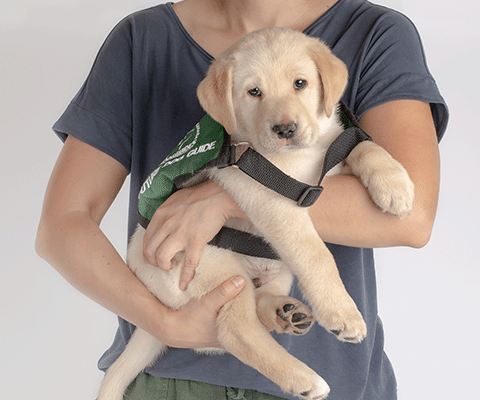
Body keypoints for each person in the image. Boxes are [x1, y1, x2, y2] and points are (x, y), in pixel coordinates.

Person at [35, 0, 448, 399]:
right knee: (235, 282)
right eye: (253, 92)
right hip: (174, 383)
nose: (283, 115)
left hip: (342, 381)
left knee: (268, 277)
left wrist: (225, 199)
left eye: (299, 84)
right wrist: (165, 323)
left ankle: (267, 306)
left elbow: (410, 217)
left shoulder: (374, 33)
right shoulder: (142, 39)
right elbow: (62, 225)